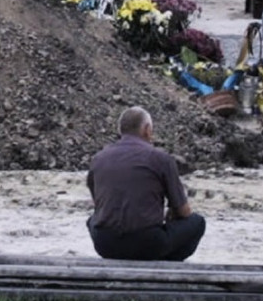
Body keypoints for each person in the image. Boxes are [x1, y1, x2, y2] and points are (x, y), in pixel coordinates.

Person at [86, 106, 206, 261]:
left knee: (91, 220)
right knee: (197, 222)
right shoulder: (161, 159)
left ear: (120, 130)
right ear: (147, 129)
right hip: (147, 243)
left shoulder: (98, 159)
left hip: (105, 244)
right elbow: (183, 211)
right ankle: (166, 262)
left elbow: (98, 205)